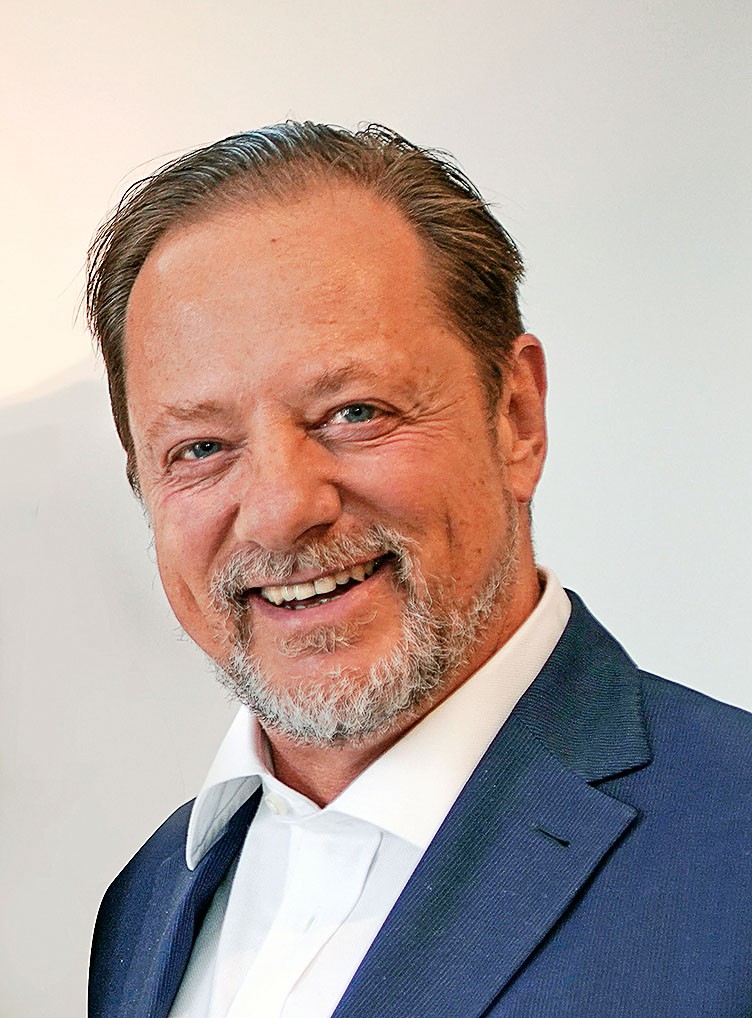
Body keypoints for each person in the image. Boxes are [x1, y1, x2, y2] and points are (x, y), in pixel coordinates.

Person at [86, 123, 751, 1018]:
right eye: (201, 447)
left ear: (515, 418)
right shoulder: (145, 905)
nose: (282, 509)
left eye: (354, 412)